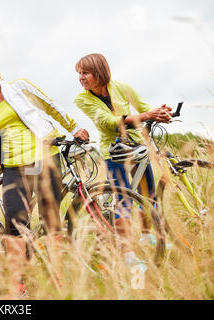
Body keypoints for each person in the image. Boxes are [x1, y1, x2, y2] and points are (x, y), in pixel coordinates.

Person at [0, 61, 89, 294]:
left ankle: (58, 278)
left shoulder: (20, 87)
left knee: (50, 219)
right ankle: (18, 286)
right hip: (13, 167)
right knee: (14, 225)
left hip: (45, 158)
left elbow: (51, 106)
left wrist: (74, 127)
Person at [74, 53, 172, 268]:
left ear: (99, 71)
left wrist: (161, 112)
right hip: (113, 152)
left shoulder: (121, 86)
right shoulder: (82, 99)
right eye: (79, 74)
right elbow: (108, 122)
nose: (81, 78)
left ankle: (146, 235)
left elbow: (144, 106)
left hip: (136, 146)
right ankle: (127, 254)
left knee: (148, 194)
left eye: (85, 73)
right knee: (125, 200)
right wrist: (148, 116)